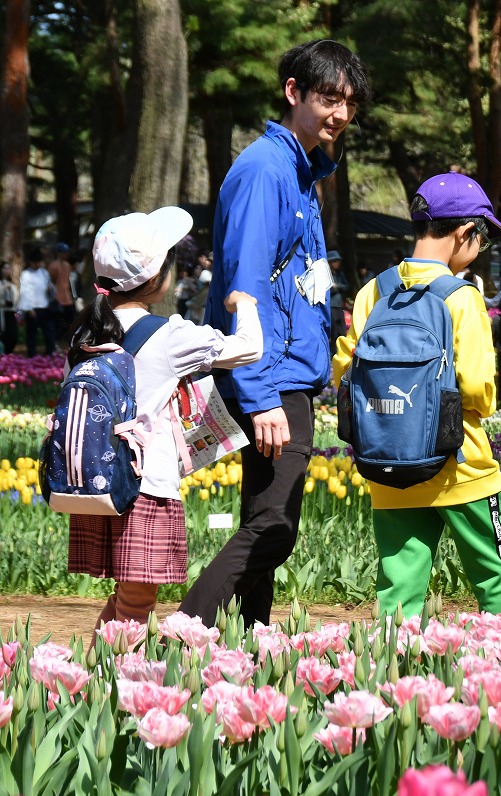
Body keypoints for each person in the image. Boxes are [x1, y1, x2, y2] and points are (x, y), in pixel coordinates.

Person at [180, 39, 371, 627]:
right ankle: (187, 627)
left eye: (348, 102)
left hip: (287, 370)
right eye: (327, 98)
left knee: (265, 516)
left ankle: (252, 640)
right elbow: (246, 288)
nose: (339, 113)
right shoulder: (266, 170)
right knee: (275, 527)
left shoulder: (300, 170)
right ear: (294, 93)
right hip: (271, 375)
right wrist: (260, 397)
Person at [332, 173, 501, 617]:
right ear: (463, 233)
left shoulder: (372, 292)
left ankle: (393, 676)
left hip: (389, 463)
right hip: (460, 465)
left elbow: (346, 369)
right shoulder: (461, 297)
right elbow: (475, 388)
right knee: (495, 578)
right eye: (483, 238)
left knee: (398, 593)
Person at [67, 207, 263, 625]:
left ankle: (97, 673)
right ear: (158, 278)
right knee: (137, 602)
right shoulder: (169, 334)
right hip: (146, 485)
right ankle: (116, 683)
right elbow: (250, 348)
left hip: (97, 480)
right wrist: (244, 303)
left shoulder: (86, 331)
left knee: (127, 594)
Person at [19, 247, 57, 356]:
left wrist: (51, 289)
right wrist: (28, 308)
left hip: (44, 307)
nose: (37, 264)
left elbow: (51, 287)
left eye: (39, 262)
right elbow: (25, 292)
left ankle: (49, 353)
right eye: (35, 262)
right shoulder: (26, 274)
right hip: (32, 308)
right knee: (32, 334)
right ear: (31, 262)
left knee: (49, 332)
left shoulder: (44, 273)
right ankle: (32, 354)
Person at [47, 243, 75, 337]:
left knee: (70, 321)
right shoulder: (53, 266)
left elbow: (69, 281)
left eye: (66, 252)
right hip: (57, 298)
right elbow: (52, 281)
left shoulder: (67, 265)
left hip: (68, 298)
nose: (65, 254)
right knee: (58, 323)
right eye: (63, 252)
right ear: (58, 253)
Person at [326, 249, 351, 345]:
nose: (338, 263)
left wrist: (338, 286)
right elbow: (328, 290)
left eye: (338, 261)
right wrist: (336, 287)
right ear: (330, 262)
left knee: (342, 330)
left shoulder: (340, 274)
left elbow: (347, 286)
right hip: (331, 306)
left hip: (339, 306)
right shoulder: (327, 275)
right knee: (333, 331)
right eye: (335, 261)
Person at [0, 262, 18, 354]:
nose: (7, 270)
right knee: (3, 334)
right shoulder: (2, 284)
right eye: (4, 268)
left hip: (11, 312)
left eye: (8, 268)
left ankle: (8, 354)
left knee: (13, 335)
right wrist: (3, 287)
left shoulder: (12, 284)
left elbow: (15, 299)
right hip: (2, 312)